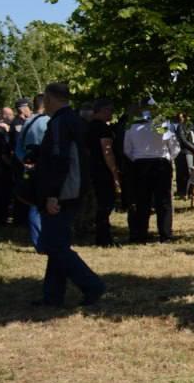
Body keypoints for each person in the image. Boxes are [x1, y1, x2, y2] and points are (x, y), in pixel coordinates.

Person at [32, 82, 105, 307]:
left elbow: (59, 159)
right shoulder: (75, 120)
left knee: (55, 245)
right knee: (58, 243)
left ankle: (91, 284)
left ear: (50, 99)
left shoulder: (60, 123)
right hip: (74, 188)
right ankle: (52, 296)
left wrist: (52, 194)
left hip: (63, 191)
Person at [123, 109, 179, 243]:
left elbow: (127, 150)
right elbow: (174, 147)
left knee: (142, 201)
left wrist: (138, 158)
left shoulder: (132, 126)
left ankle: (141, 234)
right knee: (163, 201)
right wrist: (168, 158)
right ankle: (165, 235)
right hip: (160, 163)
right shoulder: (161, 126)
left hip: (140, 164)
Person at [15, 94, 49, 251]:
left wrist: (26, 162)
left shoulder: (27, 122)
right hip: (44, 168)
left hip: (29, 167)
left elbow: (18, 148)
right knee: (42, 204)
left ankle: (38, 241)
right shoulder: (47, 122)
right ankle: (44, 242)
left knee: (34, 204)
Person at [87, 100, 122, 246]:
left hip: (91, 168)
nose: (111, 113)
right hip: (103, 170)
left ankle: (103, 236)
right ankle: (103, 238)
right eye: (109, 109)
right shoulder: (102, 129)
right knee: (106, 204)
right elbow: (107, 152)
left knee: (101, 204)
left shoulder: (87, 127)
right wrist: (114, 173)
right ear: (100, 110)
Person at [173, 113, 194, 203]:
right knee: (187, 173)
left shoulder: (193, 127)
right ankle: (184, 193)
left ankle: (192, 192)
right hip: (186, 152)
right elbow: (183, 140)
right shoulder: (180, 127)